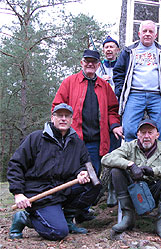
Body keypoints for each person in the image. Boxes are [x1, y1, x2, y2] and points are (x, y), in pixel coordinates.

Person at [7, 103, 102, 241]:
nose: (63, 119)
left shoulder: (77, 143)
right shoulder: (36, 138)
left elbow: (86, 164)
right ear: (53, 118)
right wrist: (18, 193)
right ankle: (25, 218)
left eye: (67, 116)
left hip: (62, 190)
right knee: (58, 232)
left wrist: (82, 173)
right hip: (40, 193)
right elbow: (16, 165)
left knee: (94, 185)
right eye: (59, 115)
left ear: (71, 120)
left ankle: (68, 219)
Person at [52, 49, 123, 222]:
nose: (90, 64)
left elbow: (113, 109)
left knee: (93, 178)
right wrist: (59, 130)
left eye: (94, 62)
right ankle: (66, 213)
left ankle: (82, 211)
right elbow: (57, 107)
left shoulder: (104, 86)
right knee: (72, 176)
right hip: (73, 141)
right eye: (87, 61)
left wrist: (114, 125)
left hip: (96, 142)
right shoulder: (69, 82)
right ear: (81, 63)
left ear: (99, 65)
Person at [101, 118, 161, 242]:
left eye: (150, 132)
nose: (146, 136)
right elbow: (106, 159)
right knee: (116, 171)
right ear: (137, 134)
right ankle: (128, 217)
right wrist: (130, 165)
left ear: (157, 134)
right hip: (134, 190)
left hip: (155, 190)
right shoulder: (130, 146)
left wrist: (154, 171)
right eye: (143, 132)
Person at [113, 20, 161, 142]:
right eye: (145, 31)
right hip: (134, 94)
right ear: (139, 33)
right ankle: (132, 159)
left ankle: (157, 159)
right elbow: (118, 71)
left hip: (157, 95)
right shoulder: (129, 51)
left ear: (155, 35)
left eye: (151, 31)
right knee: (129, 128)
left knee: (160, 130)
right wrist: (121, 90)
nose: (147, 34)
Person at [96, 36, 121, 207]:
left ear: (117, 50)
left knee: (117, 151)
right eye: (106, 47)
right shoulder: (98, 68)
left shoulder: (123, 65)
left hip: (119, 112)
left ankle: (114, 188)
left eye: (112, 47)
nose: (109, 49)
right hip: (101, 115)